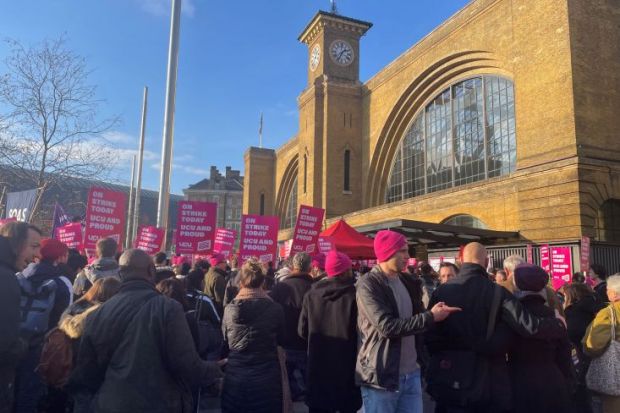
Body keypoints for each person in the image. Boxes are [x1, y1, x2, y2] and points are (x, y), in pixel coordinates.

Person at [67, 249, 222, 413]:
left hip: (110, 403)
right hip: (158, 403)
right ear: (151, 271)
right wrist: (215, 368)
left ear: (120, 274)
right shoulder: (167, 308)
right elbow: (186, 365)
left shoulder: (97, 314)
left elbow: (85, 374)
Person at [426, 242, 568, 413]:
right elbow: (529, 325)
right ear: (486, 262)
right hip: (487, 379)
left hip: (448, 376)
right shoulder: (497, 292)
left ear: (460, 260)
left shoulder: (441, 292)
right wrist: (558, 324)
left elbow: (430, 334)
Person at [356, 230, 460, 413]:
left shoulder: (408, 281)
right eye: (402, 251)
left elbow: (416, 318)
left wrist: (434, 312)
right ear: (388, 253)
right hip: (382, 377)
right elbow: (387, 326)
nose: (407, 256)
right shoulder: (368, 284)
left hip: (412, 373)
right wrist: (430, 317)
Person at [14, 238, 73, 413]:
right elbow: (66, 318)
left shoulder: (18, 276)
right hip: (43, 346)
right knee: (32, 394)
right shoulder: (62, 282)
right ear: (60, 256)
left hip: (13, 340)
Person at [507, 264, 575, 413]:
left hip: (518, 381)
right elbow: (564, 354)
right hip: (552, 380)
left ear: (516, 284)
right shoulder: (554, 315)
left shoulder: (511, 315)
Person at [299, 250, 361, 413]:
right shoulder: (355, 295)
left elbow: (302, 330)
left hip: (318, 365)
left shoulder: (311, 294)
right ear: (346, 271)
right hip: (347, 366)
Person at [221, 259, 285, 413]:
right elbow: (282, 340)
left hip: (236, 377)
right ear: (263, 282)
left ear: (241, 281)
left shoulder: (230, 309)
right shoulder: (275, 308)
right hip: (267, 378)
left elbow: (224, 341)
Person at [0, 222, 41, 413]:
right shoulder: (6, 278)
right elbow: (5, 344)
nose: (37, 256)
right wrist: (25, 346)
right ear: (16, 244)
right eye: (33, 246)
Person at [270, 252, 314, 401]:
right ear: (310, 267)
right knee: (310, 382)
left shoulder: (280, 287)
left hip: (285, 341)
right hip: (306, 343)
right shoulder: (314, 287)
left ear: (293, 266)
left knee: (286, 382)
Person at [563, 282, 605, 413]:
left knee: (584, 388)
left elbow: (572, 333)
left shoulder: (574, 311)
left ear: (572, 296)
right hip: (597, 354)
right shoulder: (597, 305)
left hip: (583, 354)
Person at [582, 274, 620, 413]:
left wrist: (586, 348)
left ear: (615, 294)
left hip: (615, 378)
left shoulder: (608, 313)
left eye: (608, 290)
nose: (606, 292)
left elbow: (594, 344)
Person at [203, 253, 228, 318]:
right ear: (218, 264)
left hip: (209, 310)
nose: (226, 264)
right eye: (224, 262)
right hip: (216, 313)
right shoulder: (218, 278)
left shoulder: (207, 274)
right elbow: (220, 300)